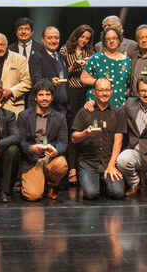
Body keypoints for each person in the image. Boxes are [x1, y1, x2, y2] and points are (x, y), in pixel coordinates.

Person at [70, 78, 125, 200]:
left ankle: (103, 182)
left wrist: (111, 165)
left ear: (111, 92)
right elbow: (74, 138)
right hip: (89, 161)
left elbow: (118, 141)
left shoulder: (118, 112)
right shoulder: (84, 111)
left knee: (118, 193)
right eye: (100, 90)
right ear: (94, 92)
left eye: (107, 90)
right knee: (91, 194)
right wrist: (86, 133)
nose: (104, 93)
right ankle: (95, 181)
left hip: (108, 160)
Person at [17, 80, 69, 201]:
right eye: (41, 95)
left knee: (61, 165)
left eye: (47, 95)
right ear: (35, 98)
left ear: (52, 98)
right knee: (33, 196)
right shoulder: (23, 116)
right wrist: (31, 149)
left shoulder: (60, 118)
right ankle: (33, 180)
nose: (44, 98)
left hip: (50, 157)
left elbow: (63, 142)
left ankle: (52, 184)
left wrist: (55, 151)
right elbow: (20, 141)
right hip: (32, 159)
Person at [59, 24, 95, 187]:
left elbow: (94, 71)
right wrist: (75, 66)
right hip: (71, 91)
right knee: (72, 129)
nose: (84, 40)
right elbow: (60, 72)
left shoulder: (91, 52)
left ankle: (83, 168)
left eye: (87, 38)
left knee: (85, 129)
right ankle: (71, 169)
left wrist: (88, 65)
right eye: (82, 37)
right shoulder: (65, 50)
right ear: (76, 35)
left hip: (86, 92)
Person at [81, 27, 131, 107]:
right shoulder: (96, 58)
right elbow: (83, 78)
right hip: (96, 104)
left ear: (119, 40)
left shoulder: (127, 61)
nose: (111, 41)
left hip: (119, 105)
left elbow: (128, 86)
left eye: (114, 38)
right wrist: (99, 82)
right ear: (104, 42)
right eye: (108, 39)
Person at [28, 27, 71, 114]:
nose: (54, 41)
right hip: (46, 106)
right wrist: (51, 81)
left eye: (56, 38)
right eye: (50, 38)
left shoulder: (62, 57)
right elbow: (36, 80)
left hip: (62, 106)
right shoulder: (37, 57)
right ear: (43, 39)